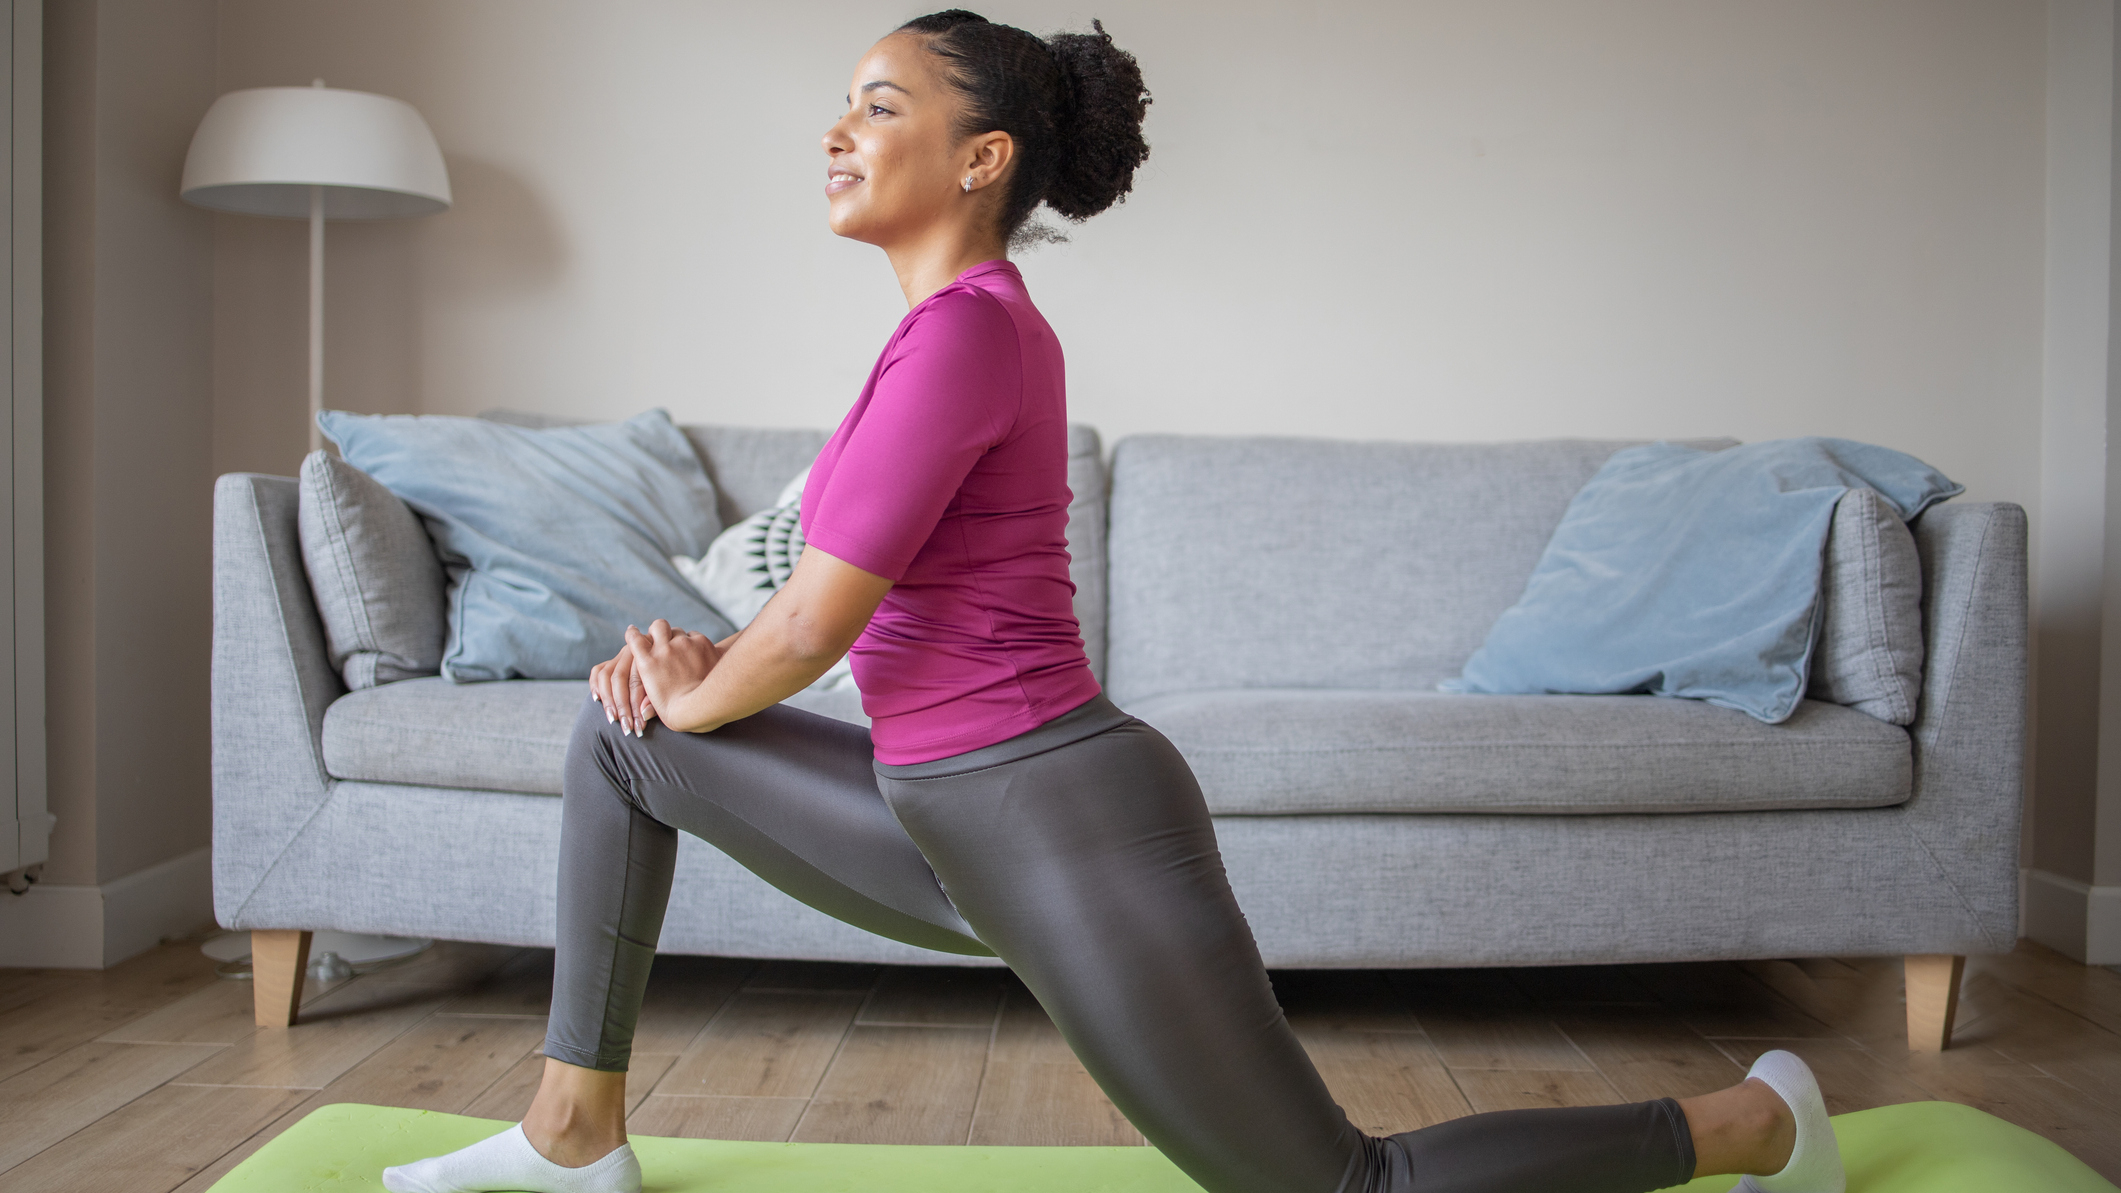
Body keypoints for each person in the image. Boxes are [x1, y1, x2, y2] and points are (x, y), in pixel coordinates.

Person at [384, 12, 1846, 1193]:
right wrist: (686, 675)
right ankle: (574, 1136)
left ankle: (1753, 1125)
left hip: (1057, 820)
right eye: (844, 102)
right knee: (621, 732)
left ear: (982, 158)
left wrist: (708, 679)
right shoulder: (927, 344)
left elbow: (815, 627)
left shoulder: (967, 336)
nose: (838, 130)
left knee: (1338, 1184)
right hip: (933, 804)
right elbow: (835, 621)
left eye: (882, 105)